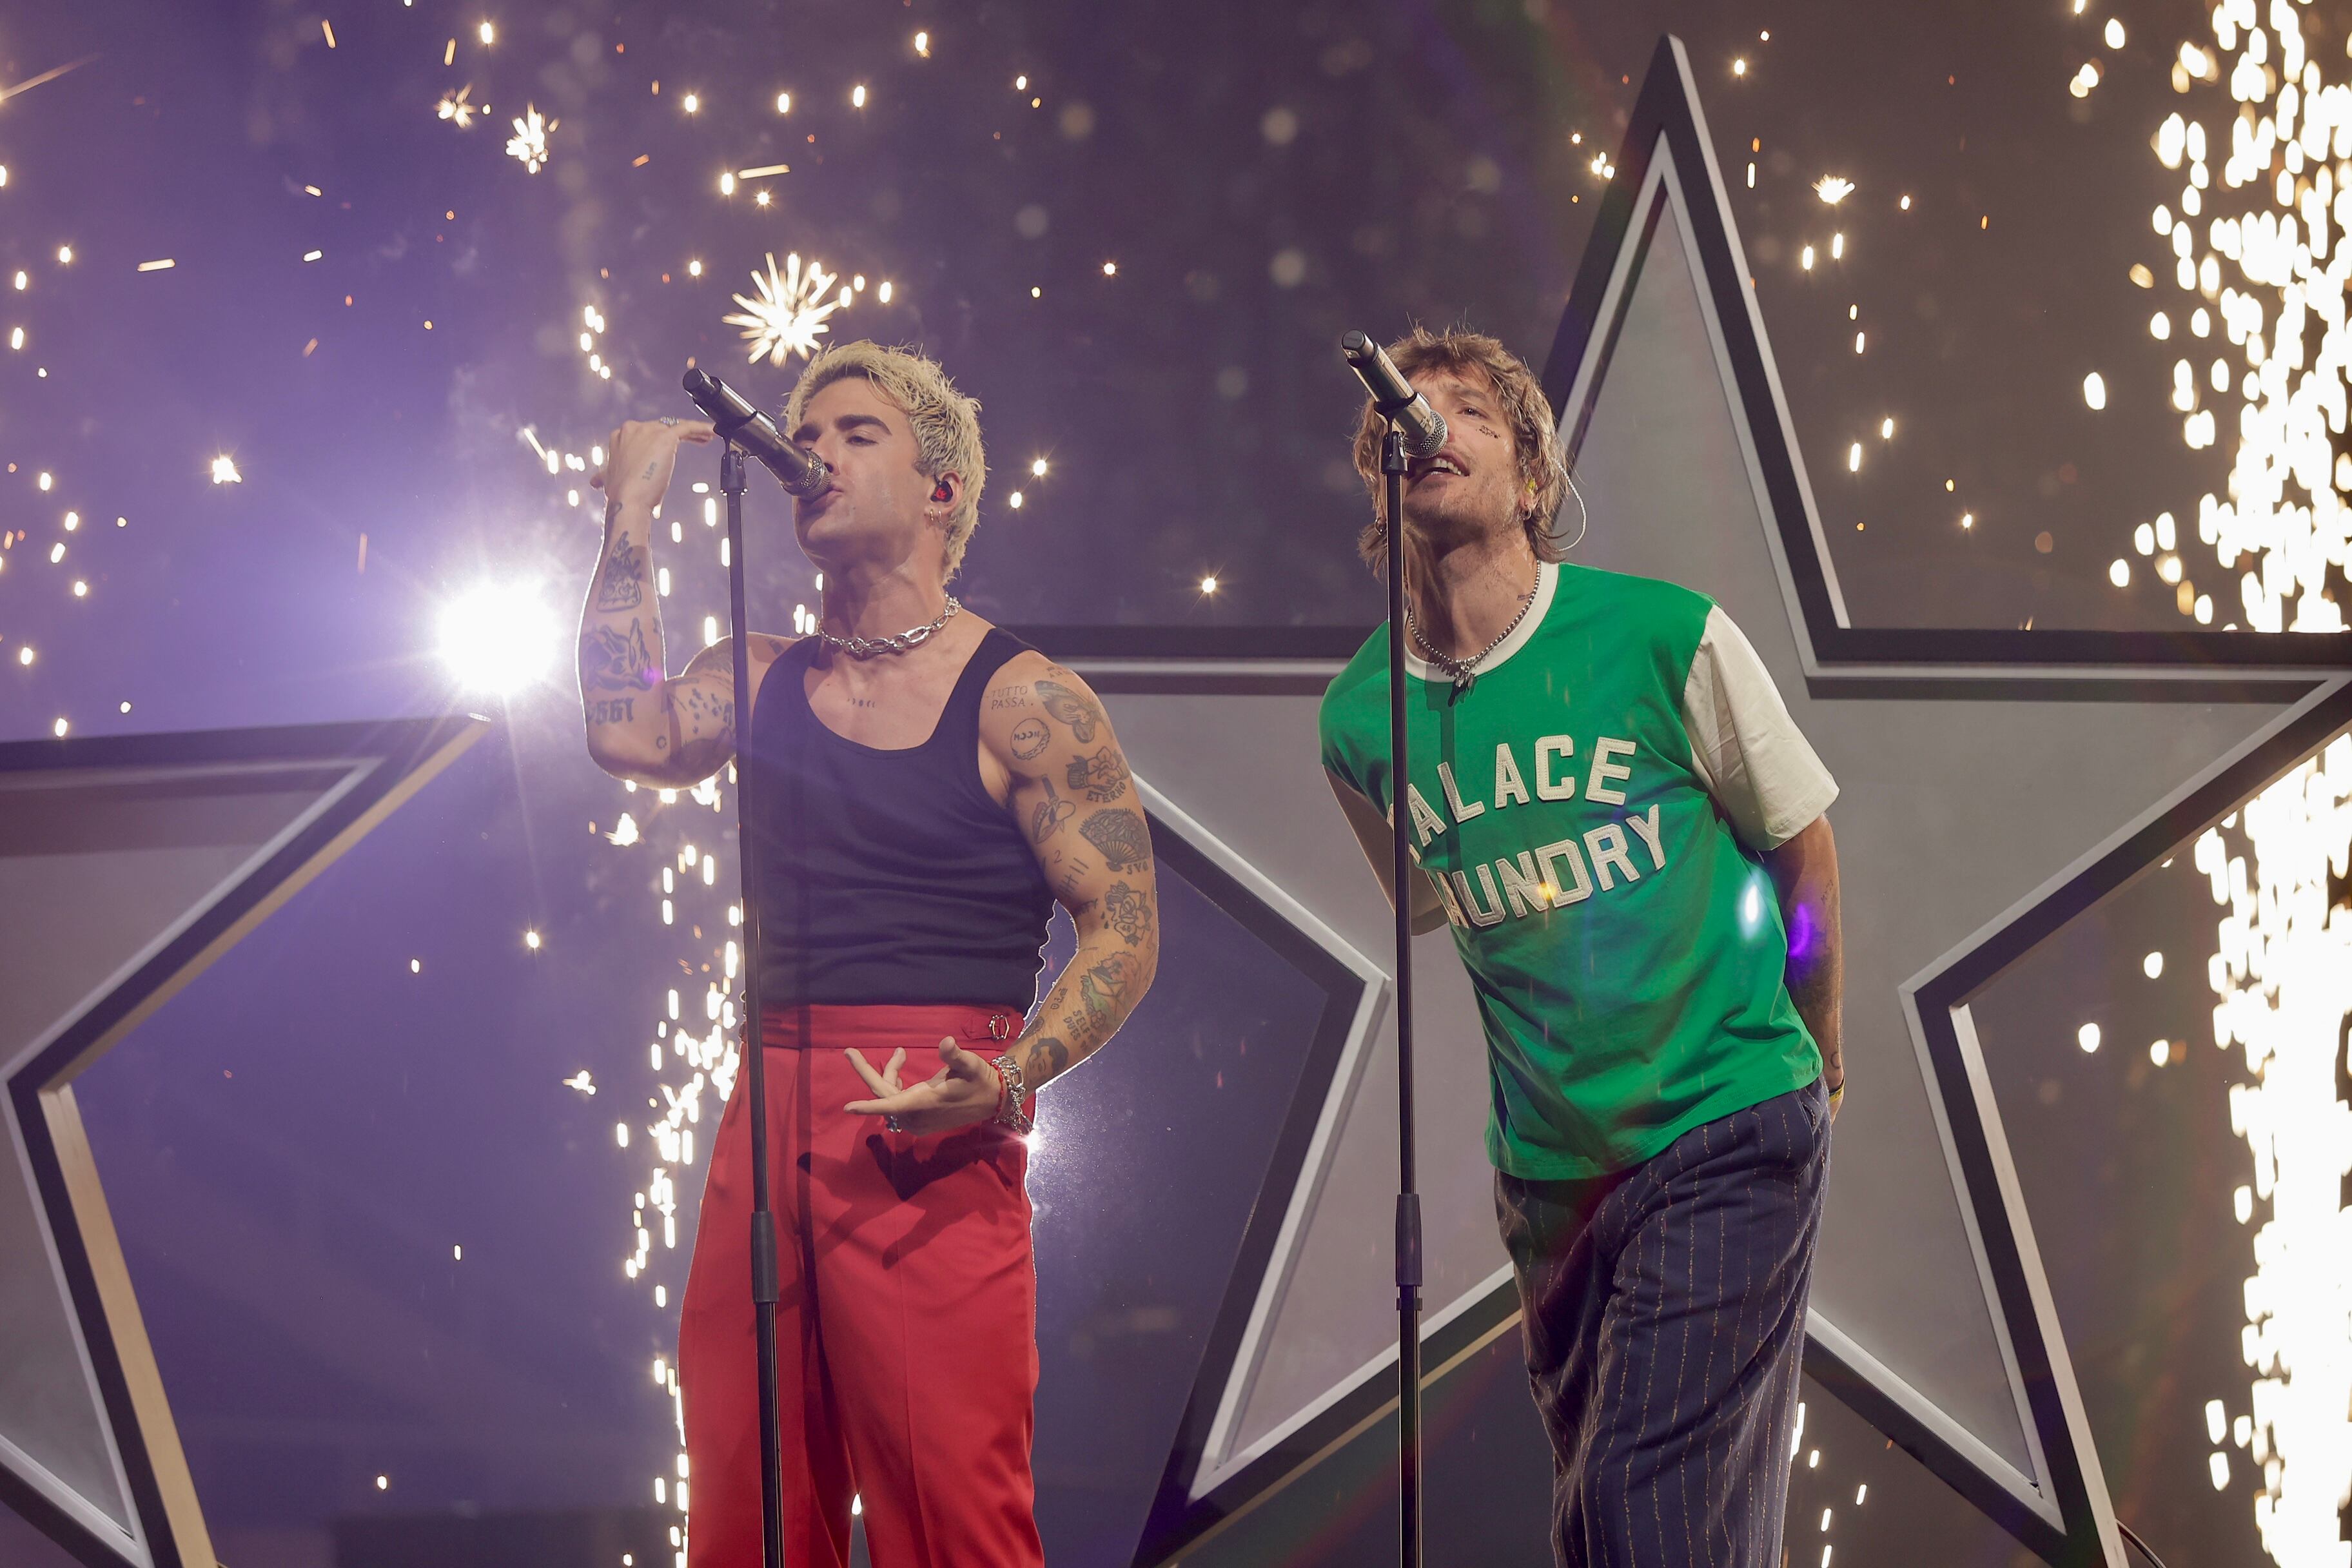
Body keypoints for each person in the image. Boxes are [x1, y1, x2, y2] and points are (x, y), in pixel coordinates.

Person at [576, 340, 1159, 1567]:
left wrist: (1011, 1078)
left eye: (856, 433)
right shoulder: (757, 675)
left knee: (954, 1519)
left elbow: (1125, 928)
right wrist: (630, 513)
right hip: (768, 1108)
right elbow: (628, 733)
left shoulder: (1025, 700)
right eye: (807, 436)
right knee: (747, 1509)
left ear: (943, 489)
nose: (815, 455)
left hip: (930, 1114)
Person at [1317, 328, 1843, 1566]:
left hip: (1724, 1121)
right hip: (1552, 1183)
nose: (1426, 424)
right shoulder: (1360, 720)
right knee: (1620, 1530)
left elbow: (1802, 847)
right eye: (1406, 413)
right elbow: (1438, 901)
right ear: (1380, 482)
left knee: (1635, 1505)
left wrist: (1818, 1051)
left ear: (1534, 479)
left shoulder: (1664, 635)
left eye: (1468, 410)